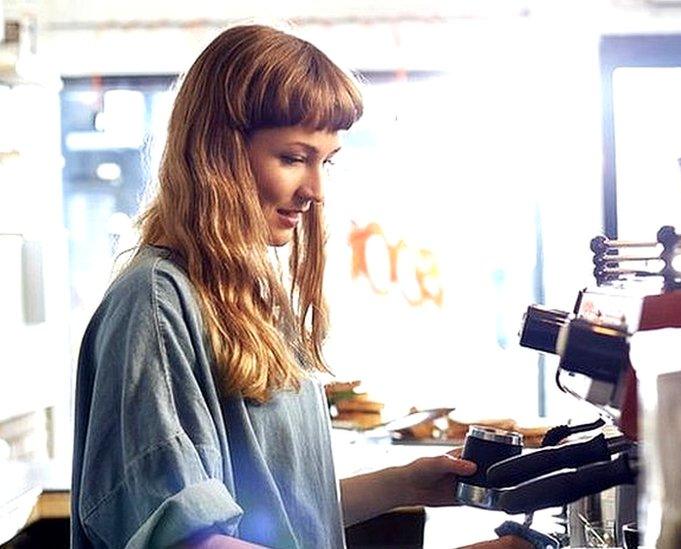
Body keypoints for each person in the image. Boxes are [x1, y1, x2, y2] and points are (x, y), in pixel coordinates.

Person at [70, 24, 531, 549]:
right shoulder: (155, 304)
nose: (315, 190)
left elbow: (276, 509)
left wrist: (403, 484)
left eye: (325, 161)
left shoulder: (243, 297)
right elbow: (186, 540)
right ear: (215, 152)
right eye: (293, 158)